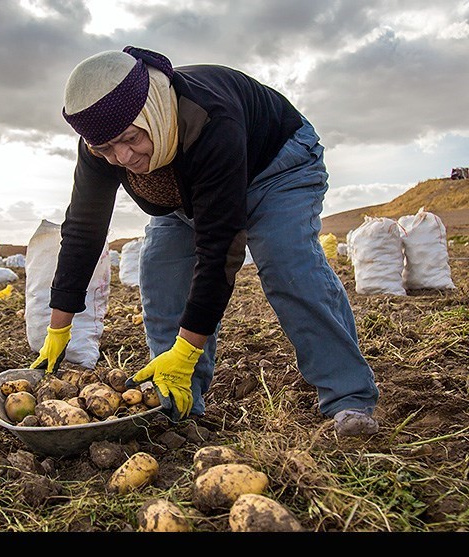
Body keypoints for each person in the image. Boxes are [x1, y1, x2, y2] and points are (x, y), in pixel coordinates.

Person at [29, 46, 380, 437]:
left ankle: (349, 397)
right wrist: (59, 328)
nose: (122, 156)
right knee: (160, 272)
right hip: (186, 196)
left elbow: (219, 249)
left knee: (287, 264)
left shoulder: (209, 117)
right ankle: (178, 399)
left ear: (152, 112)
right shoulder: (102, 140)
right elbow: (83, 230)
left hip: (276, 168)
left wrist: (187, 348)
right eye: (107, 148)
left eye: (130, 138)